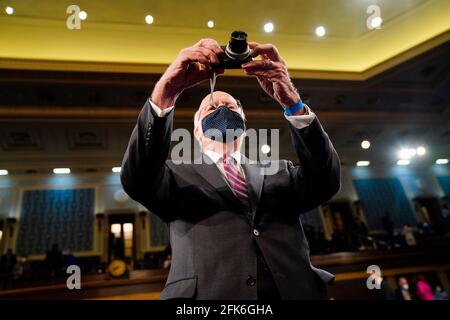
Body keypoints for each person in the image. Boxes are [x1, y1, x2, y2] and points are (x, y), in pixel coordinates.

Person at [121, 39, 341, 299]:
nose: (221, 111)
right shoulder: (173, 176)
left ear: (245, 125)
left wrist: (293, 103)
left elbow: (326, 180)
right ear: (196, 132)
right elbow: (137, 178)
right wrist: (166, 93)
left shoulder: (280, 171)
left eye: (230, 107)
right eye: (211, 108)